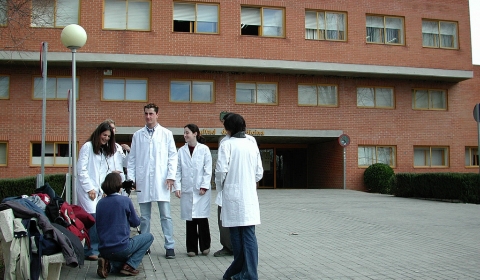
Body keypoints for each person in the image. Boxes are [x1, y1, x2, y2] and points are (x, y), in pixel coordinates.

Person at [215, 113, 263, 280]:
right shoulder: (251, 142)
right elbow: (259, 172)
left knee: (236, 236)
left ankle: (247, 274)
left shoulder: (226, 144)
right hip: (249, 195)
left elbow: (221, 171)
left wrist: (222, 187)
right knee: (249, 235)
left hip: (232, 195)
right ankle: (242, 272)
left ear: (228, 128)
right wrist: (248, 181)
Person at [127, 103, 178, 259]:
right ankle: (144, 244)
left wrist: (171, 176)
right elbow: (132, 159)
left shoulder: (166, 134)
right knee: (144, 217)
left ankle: (170, 245)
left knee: (166, 215)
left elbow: (172, 156)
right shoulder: (137, 135)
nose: (148, 116)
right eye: (146, 114)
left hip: (161, 180)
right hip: (143, 180)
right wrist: (130, 179)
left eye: (151, 113)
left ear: (157, 115)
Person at [76, 122, 123, 261]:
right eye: (104, 135)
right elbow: (81, 170)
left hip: (99, 190)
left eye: (109, 136)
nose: (106, 138)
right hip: (87, 189)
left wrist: (104, 189)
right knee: (93, 217)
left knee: (99, 218)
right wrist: (89, 188)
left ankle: (96, 247)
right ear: (98, 133)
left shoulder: (103, 150)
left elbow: (103, 172)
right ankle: (90, 249)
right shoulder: (87, 147)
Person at [96, 173, 154, 278]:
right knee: (149, 237)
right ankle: (130, 266)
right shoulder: (125, 200)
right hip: (121, 247)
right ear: (119, 185)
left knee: (119, 265)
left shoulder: (100, 203)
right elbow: (136, 223)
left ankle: (109, 264)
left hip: (104, 248)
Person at [174, 124, 212, 257]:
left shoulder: (204, 149)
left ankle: (205, 246)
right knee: (190, 219)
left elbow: (208, 169)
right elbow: (177, 170)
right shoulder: (181, 151)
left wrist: (204, 186)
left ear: (195, 133)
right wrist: (177, 187)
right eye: (184, 133)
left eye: (187, 133)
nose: (185, 135)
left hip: (200, 190)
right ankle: (191, 248)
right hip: (187, 189)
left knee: (201, 219)